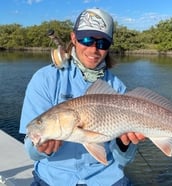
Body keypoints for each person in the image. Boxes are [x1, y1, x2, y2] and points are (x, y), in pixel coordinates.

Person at [19, 8, 145, 186]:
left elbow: (123, 160)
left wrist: (124, 145)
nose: (94, 49)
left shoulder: (118, 88)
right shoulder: (45, 79)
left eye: (102, 43)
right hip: (53, 179)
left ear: (109, 46)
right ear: (73, 38)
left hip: (107, 179)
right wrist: (40, 148)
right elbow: (31, 149)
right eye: (86, 39)